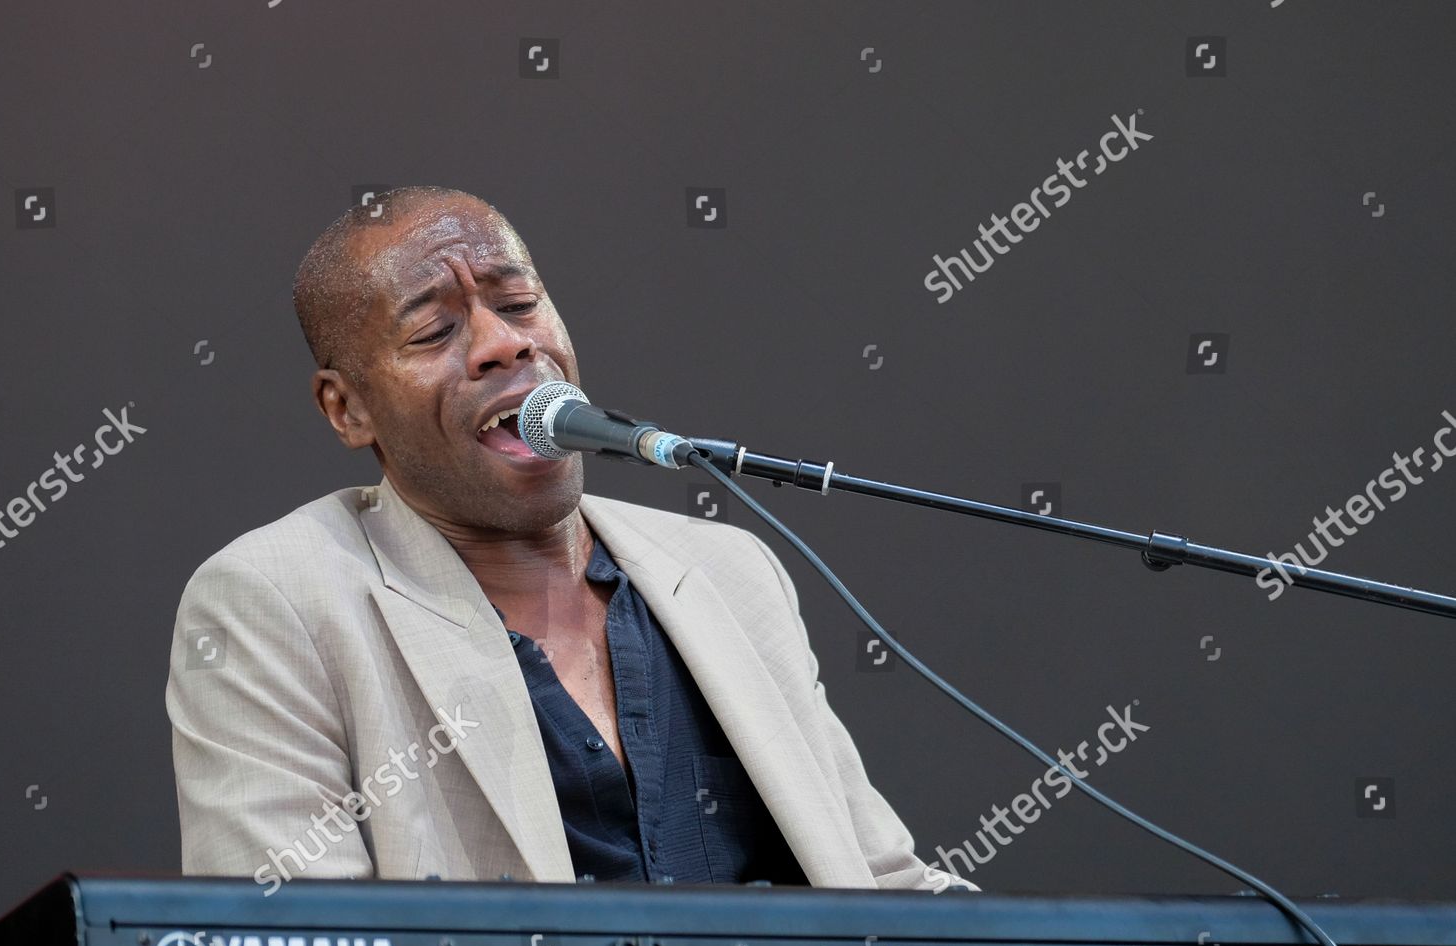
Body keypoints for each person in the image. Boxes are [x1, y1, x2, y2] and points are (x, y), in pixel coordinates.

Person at [166, 185, 977, 893]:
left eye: (518, 305)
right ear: (348, 410)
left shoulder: (728, 571)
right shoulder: (273, 601)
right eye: (433, 332)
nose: (504, 343)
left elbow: (881, 886)